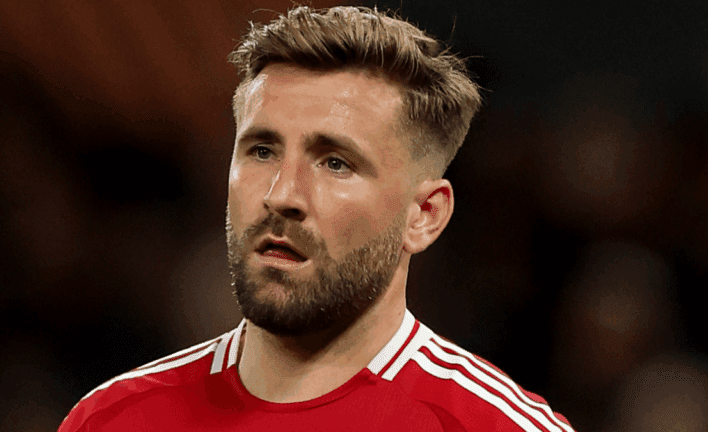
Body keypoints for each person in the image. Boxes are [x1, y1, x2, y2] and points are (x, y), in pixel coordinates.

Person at [58, 6, 574, 431]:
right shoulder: (109, 420)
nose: (282, 195)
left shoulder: (494, 425)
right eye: (262, 151)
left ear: (424, 215)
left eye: (335, 163)